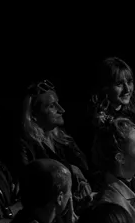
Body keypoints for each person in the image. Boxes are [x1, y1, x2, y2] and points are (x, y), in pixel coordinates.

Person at [16, 80, 93, 208]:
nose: (62, 110)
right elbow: (34, 182)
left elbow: (85, 170)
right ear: (34, 114)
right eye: (52, 106)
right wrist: (71, 169)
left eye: (58, 103)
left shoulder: (64, 138)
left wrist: (84, 184)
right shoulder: (26, 145)